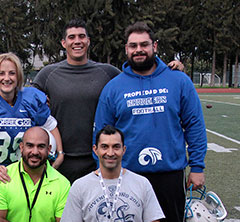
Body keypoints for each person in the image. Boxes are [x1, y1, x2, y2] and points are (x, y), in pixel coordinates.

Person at [94, 22, 207, 222]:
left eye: (144, 44)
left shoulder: (178, 81)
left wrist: (197, 166)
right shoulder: (114, 87)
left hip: (168, 173)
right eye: (133, 46)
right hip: (126, 177)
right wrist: (101, 174)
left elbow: (194, 124)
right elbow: (102, 133)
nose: (139, 50)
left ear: (154, 46)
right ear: (126, 50)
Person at [34, 19, 184, 184]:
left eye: (82, 36)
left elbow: (137, 78)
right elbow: (25, 100)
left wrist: (167, 69)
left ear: (88, 41)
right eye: (72, 37)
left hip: (99, 159)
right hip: (60, 160)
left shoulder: (108, 73)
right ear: (63, 42)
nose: (77, 41)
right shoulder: (47, 74)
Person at [0, 52, 64, 190]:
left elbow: (51, 125)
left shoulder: (31, 100)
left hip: (22, 175)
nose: (7, 78)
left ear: (19, 76)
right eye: (1, 73)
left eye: (12, 73)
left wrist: (60, 154)